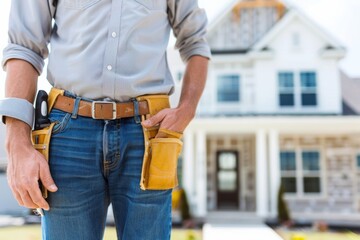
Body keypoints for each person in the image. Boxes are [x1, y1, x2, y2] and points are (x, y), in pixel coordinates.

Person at [0, 0, 210, 239]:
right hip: (68, 135)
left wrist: (187, 109)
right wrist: (16, 142)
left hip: (147, 135)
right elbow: (23, 47)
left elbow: (196, 42)